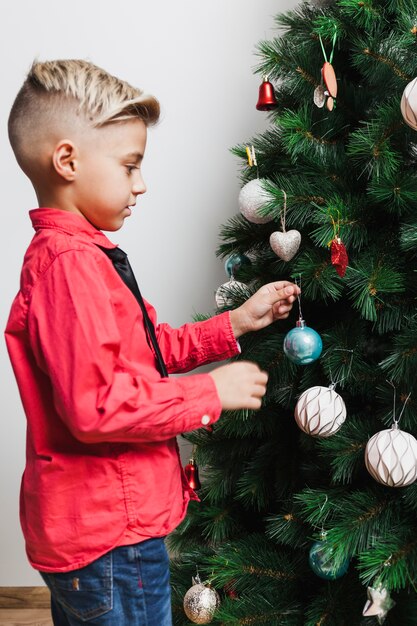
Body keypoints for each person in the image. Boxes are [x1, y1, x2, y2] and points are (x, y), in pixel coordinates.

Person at [5, 59, 300, 626]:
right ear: (68, 161)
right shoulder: (70, 267)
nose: (141, 184)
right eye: (129, 166)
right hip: (112, 539)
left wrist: (234, 323)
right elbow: (98, 407)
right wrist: (208, 393)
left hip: (97, 535)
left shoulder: (78, 257)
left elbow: (141, 352)